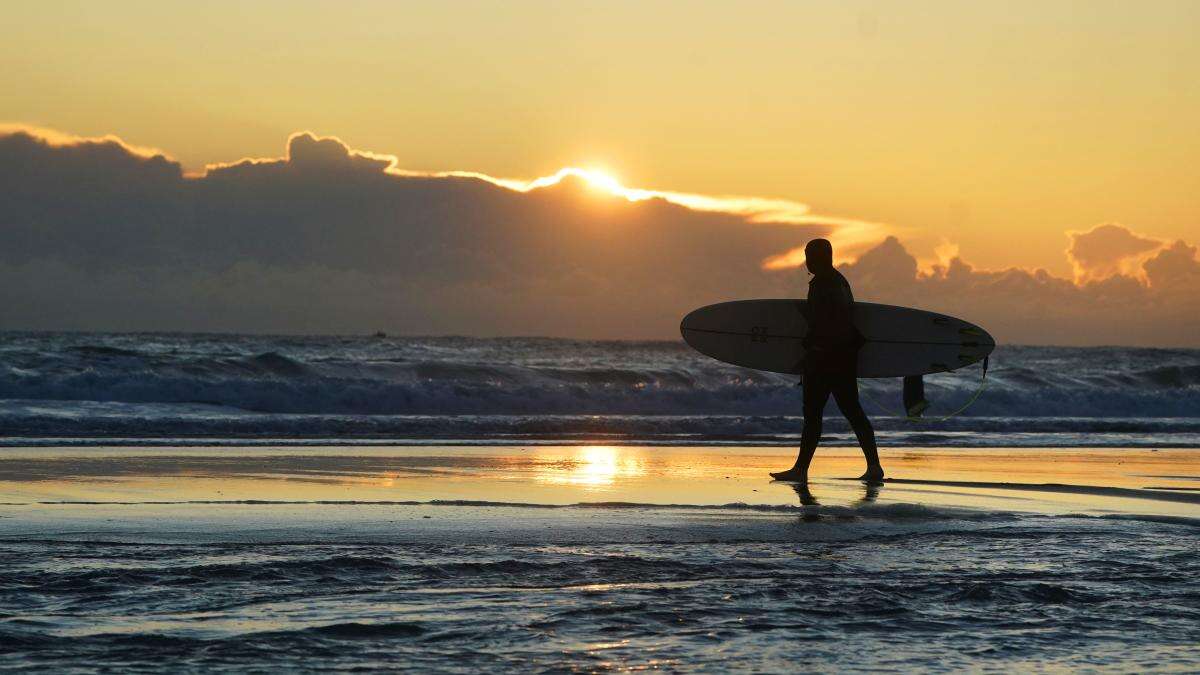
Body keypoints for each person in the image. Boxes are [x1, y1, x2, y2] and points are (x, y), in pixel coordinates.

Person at [770, 238, 884, 484]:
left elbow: (827, 323)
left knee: (813, 415)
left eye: (809, 255)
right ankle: (874, 466)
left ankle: (801, 470)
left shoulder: (823, 283)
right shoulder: (840, 281)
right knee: (852, 412)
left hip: (825, 359)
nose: (806, 260)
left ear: (818, 257)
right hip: (843, 358)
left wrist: (813, 350)